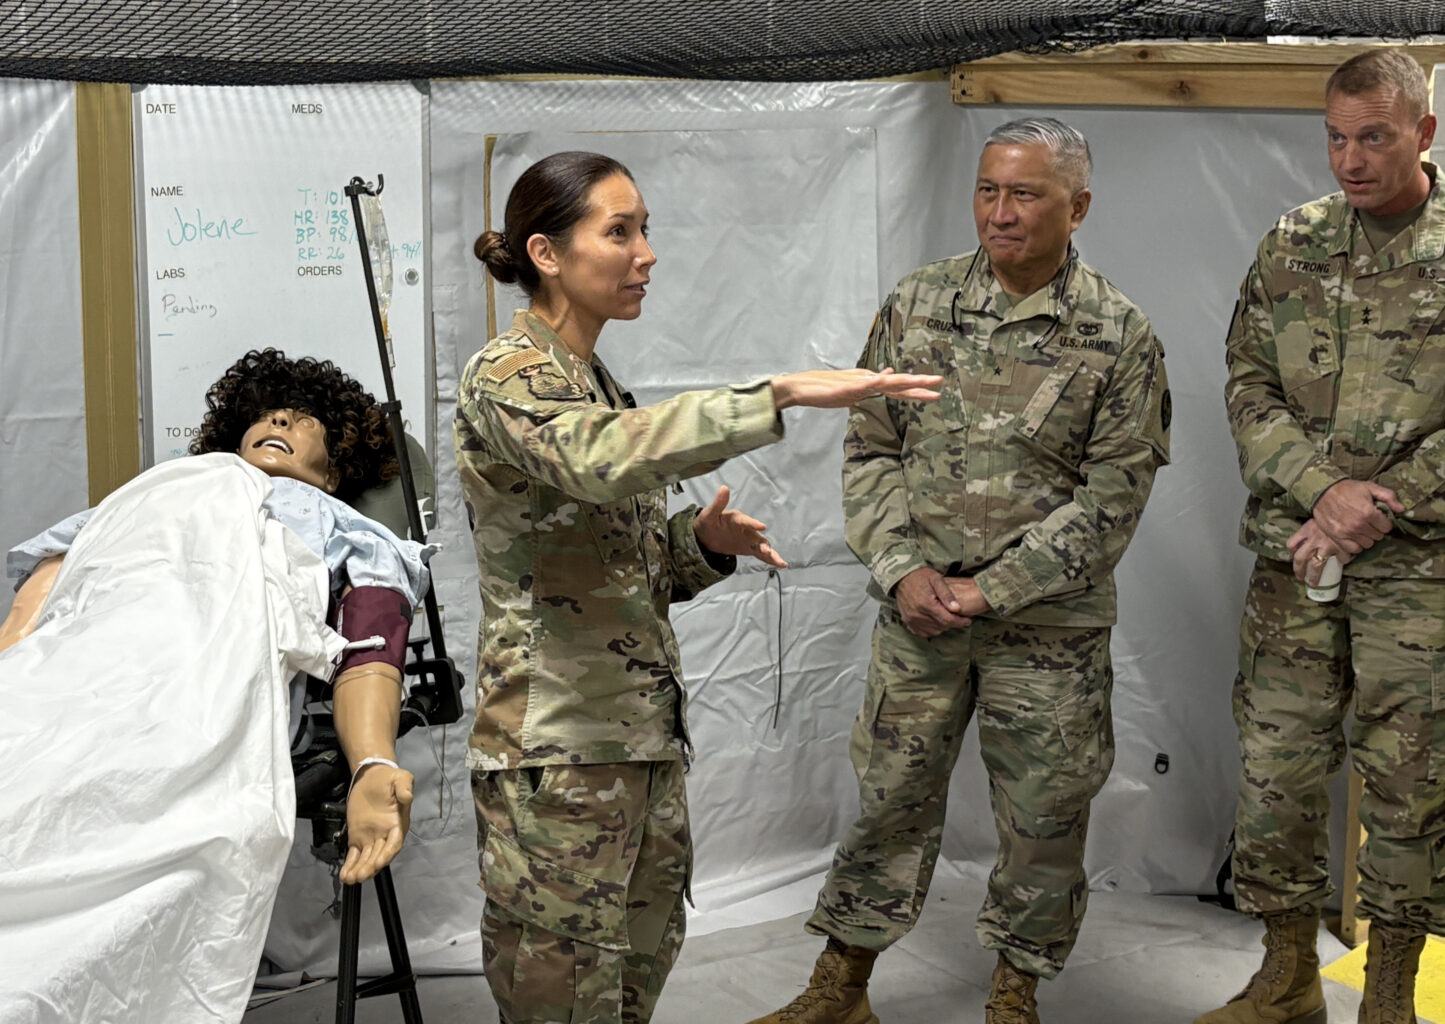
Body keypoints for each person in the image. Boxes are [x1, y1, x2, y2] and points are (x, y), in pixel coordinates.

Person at [456, 150, 941, 1024]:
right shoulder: (508, 376)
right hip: (558, 756)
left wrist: (698, 545)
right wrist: (781, 392)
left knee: (629, 986)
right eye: (620, 231)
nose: (646, 253)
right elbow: (600, 461)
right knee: (562, 997)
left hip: (634, 750)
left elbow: (607, 567)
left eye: (645, 230)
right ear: (547, 252)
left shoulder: (597, 383)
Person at [745, 117, 1172, 1024]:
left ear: (1078, 206)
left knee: (1045, 821)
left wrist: (994, 590)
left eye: (1026, 194)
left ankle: (1014, 994)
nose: (1001, 212)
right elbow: (868, 450)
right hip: (920, 616)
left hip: (1046, 633)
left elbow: (1113, 497)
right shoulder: (918, 304)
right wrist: (903, 571)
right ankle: (842, 987)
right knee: (887, 800)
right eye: (988, 190)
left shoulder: (1118, 334)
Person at [1201, 48, 1445, 1024]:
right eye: (1337, 137)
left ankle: (1390, 991)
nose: (1349, 159)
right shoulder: (1293, 242)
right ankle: (1287, 975)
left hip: (1428, 574)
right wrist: (1320, 491)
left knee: (1411, 785)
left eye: (1374, 137)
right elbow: (1247, 384)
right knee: (1275, 773)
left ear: (1424, 133)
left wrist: (1372, 504)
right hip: (1296, 557)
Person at [3, 349, 424, 883]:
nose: (277, 420)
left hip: (205, 676)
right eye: (266, 414)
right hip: (87, 652)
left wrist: (372, 763)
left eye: (302, 418)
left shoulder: (346, 528)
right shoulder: (165, 486)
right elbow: (66, 566)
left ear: (334, 470)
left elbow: (370, 643)